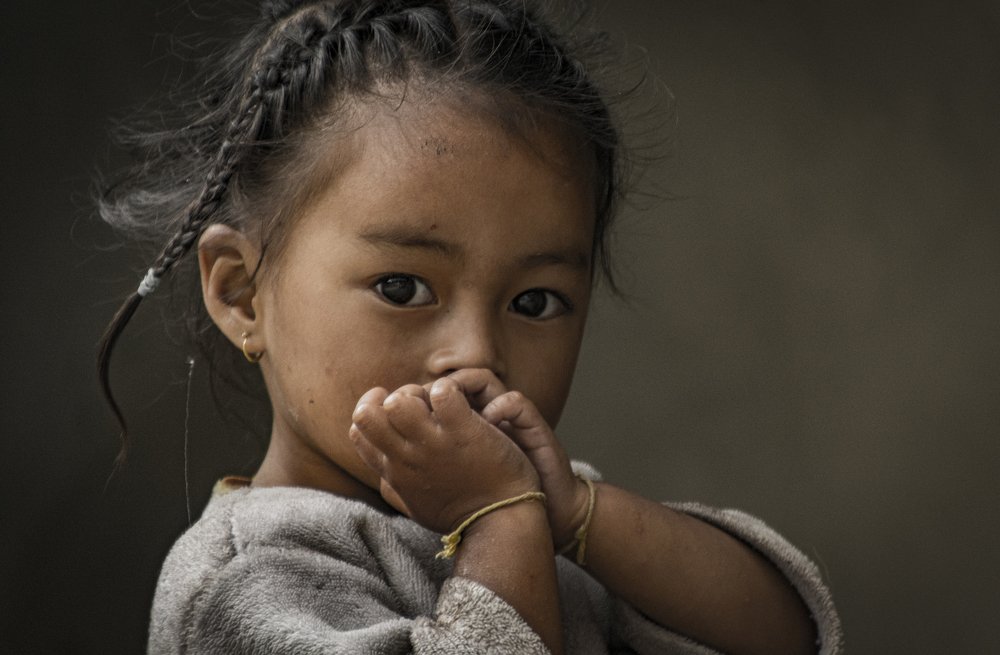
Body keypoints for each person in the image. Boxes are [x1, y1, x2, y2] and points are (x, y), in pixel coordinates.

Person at [97, 1, 842, 653]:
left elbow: (788, 636)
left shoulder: (543, 517)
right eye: (402, 288)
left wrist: (577, 516)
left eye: (535, 302)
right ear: (242, 294)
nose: (476, 355)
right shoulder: (247, 580)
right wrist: (501, 524)